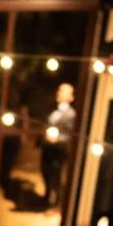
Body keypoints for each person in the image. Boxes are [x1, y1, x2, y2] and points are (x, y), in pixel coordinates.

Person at [40, 82, 76, 210]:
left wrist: (57, 139)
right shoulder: (53, 110)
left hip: (58, 150)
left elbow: (70, 134)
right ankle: (47, 198)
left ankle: (56, 203)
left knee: (56, 175)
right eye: (59, 90)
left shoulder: (71, 114)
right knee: (45, 172)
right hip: (48, 147)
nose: (59, 93)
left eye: (63, 91)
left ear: (71, 97)